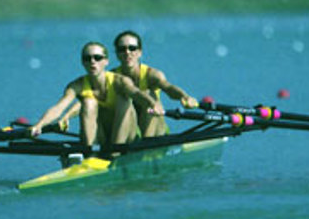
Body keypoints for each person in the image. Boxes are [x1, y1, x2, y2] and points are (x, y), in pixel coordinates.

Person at [59, 31, 198, 137]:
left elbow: (169, 88)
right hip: (130, 133)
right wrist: (67, 116)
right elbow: (88, 99)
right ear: (117, 54)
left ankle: (146, 147)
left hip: (154, 131)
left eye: (132, 48)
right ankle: (102, 151)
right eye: (122, 49)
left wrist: (184, 96)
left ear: (140, 52)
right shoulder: (112, 77)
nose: (127, 52)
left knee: (148, 94)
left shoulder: (152, 75)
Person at [30, 41, 163, 147]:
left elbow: (136, 93)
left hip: (126, 137)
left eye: (97, 58)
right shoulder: (77, 85)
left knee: (123, 101)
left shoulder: (119, 81)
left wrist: (152, 104)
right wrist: (39, 125)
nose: (92, 61)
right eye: (88, 58)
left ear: (106, 61)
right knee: (88, 102)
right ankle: (91, 154)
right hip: (100, 137)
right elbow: (59, 108)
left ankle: (115, 153)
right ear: (83, 62)